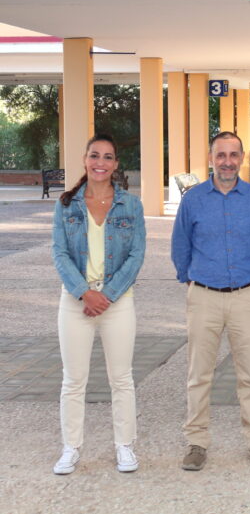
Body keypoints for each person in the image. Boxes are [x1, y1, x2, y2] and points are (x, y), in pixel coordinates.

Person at [171, 131, 250, 472]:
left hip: (246, 296)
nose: (227, 162)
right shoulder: (193, 199)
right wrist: (192, 279)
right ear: (211, 157)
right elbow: (180, 246)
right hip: (203, 297)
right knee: (199, 374)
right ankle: (197, 443)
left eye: (233, 155)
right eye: (221, 155)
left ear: (241, 158)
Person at [51, 133, 146, 475]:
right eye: (95, 156)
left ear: (116, 164)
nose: (100, 163)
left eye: (107, 157)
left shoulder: (131, 206)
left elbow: (136, 255)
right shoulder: (65, 205)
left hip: (117, 303)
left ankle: (124, 446)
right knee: (73, 379)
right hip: (75, 301)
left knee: (121, 378)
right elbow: (59, 253)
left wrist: (107, 295)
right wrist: (83, 292)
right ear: (85, 160)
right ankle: (71, 447)